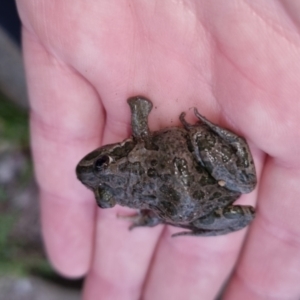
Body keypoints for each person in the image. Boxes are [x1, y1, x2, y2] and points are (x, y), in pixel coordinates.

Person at [16, 1, 300, 299]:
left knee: (204, 194)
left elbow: (153, 215)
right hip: (202, 185)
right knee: (209, 151)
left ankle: (197, 208)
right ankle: (202, 141)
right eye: (105, 194)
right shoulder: (137, 146)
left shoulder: (141, 202)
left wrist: (152, 219)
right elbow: (139, 103)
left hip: (199, 206)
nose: (100, 183)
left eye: (102, 168)